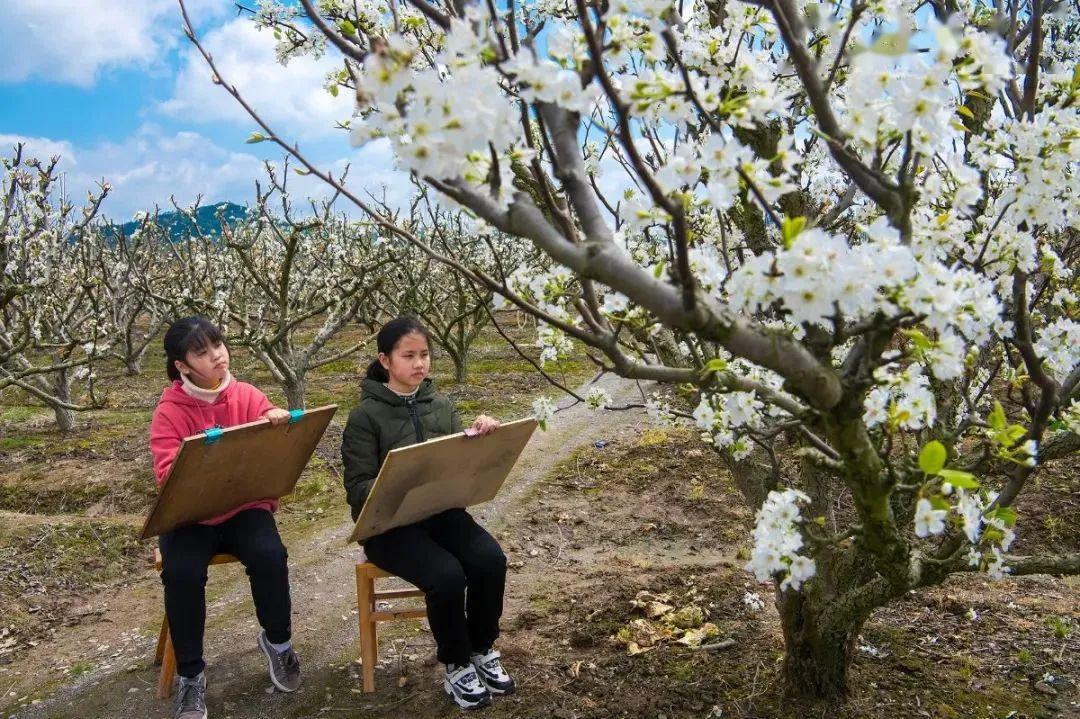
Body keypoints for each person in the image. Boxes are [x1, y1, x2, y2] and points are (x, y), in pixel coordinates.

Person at [341, 316, 514, 710]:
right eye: (408, 356)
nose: (419, 364)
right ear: (385, 360)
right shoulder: (365, 417)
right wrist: (399, 480)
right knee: (447, 575)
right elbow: (357, 492)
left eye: (424, 355)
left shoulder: (441, 406)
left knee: (490, 560)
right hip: (390, 527)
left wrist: (481, 437)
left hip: (441, 513)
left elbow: (460, 469)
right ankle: (455, 662)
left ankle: (481, 648)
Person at [149, 317, 301, 719]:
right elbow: (168, 475)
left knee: (269, 554)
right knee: (181, 573)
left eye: (217, 344)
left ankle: (279, 644)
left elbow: (267, 418)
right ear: (182, 365)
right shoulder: (170, 411)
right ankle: (191, 675)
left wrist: (276, 420)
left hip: (243, 507)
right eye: (201, 351)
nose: (216, 355)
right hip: (191, 517)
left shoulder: (246, 394)